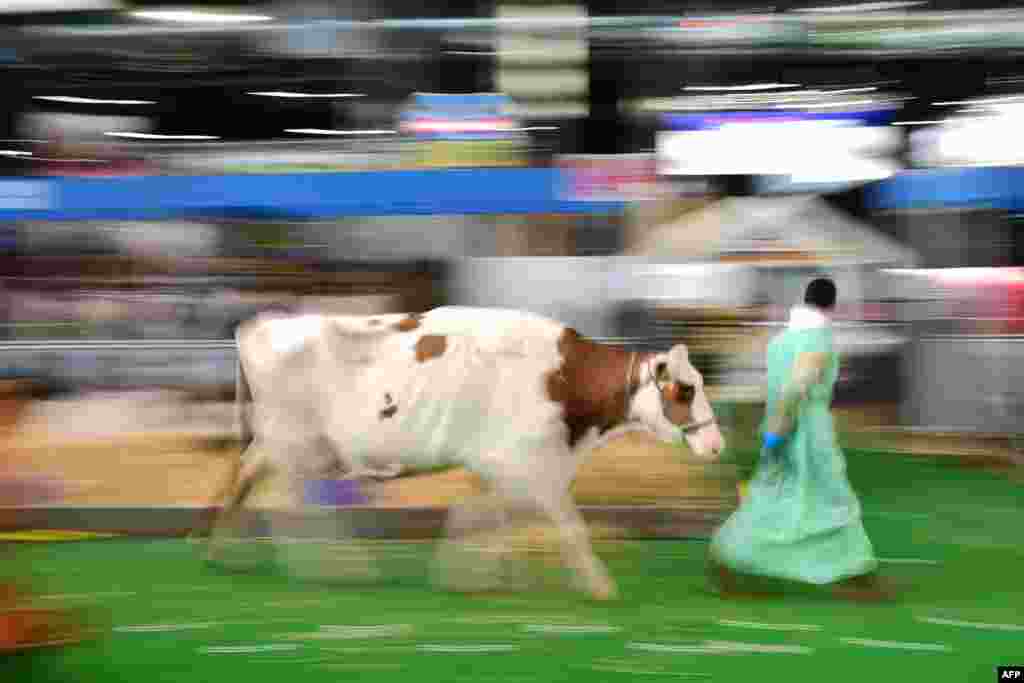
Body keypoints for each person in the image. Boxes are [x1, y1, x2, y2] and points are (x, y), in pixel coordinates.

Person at [709, 277, 888, 600]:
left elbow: (777, 388)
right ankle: (858, 574)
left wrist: (772, 433)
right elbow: (798, 385)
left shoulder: (779, 342)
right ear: (831, 306)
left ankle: (730, 556)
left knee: (775, 497)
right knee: (832, 499)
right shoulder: (818, 339)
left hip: (778, 424)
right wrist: (781, 429)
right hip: (807, 431)